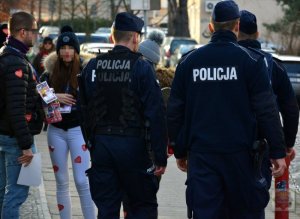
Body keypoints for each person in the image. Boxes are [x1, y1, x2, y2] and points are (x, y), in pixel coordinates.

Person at [167, 1, 287, 219]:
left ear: (211, 26)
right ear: (237, 26)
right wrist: (278, 152)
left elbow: (175, 110)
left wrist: (179, 149)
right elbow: (266, 110)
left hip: (203, 156)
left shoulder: (189, 62)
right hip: (241, 157)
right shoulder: (251, 61)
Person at [79, 12, 168, 219]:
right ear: (136, 38)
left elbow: (83, 110)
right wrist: (160, 157)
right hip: (133, 148)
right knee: (141, 206)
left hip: (101, 147)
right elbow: (155, 114)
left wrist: (92, 143)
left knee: (107, 208)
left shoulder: (93, 66)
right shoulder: (142, 67)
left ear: (112, 37)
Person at [238, 9, 299, 218]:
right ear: (256, 34)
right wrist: (285, 145)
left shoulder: (221, 61)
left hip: (219, 147)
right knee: (254, 204)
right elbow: (290, 109)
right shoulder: (272, 65)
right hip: (259, 148)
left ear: (235, 31)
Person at [40, 29, 95, 219]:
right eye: (62, 48)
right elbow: (38, 97)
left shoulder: (86, 73)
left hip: (78, 131)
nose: (66, 51)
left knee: (82, 180)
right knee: (61, 181)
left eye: (70, 47)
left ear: (76, 50)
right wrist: (55, 97)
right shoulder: (48, 74)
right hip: (55, 131)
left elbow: (93, 100)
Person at [0, 11, 44, 218]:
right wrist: (26, 146)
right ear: (23, 31)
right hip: (17, 139)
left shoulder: (7, 55)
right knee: (17, 194)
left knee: (3, 192)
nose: (37, 36)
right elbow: (16, 108)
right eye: (34, 31)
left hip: (5, 135)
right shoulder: (16, 63)